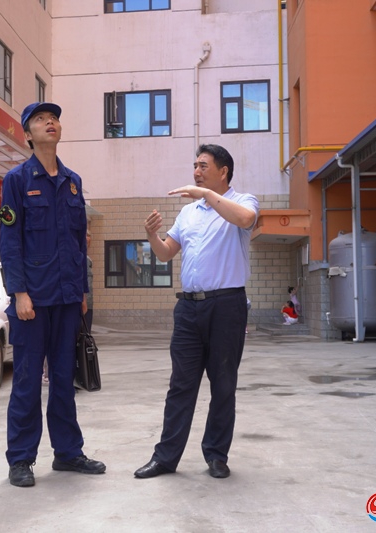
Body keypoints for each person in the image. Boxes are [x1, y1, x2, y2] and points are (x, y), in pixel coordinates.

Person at [135, 144, 258, 480]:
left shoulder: (244, 201)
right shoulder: (188, 214)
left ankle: (216, 455)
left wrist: (205, 194)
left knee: (223, 384)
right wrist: (151, 235)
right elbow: (165, 253)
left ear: (223, 171)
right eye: (195, 165)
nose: (196, 172)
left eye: (203, 166)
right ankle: (165, 458)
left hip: (226, 307)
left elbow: (245, 220)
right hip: (188, 308)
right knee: (181, 385)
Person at [0, 102, 106, 487]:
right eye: (41, 120)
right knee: (27, 382)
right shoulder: (16, 180)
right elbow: (10, 241)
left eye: (54, 118)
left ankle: (68, 453)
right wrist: (19, 292)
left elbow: (79, 243)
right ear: (27, 134)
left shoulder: (73, 181)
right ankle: (21, 459)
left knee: (64, 378)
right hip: (33, 300)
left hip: (66, 298)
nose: (50, 123)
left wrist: (82, 292)